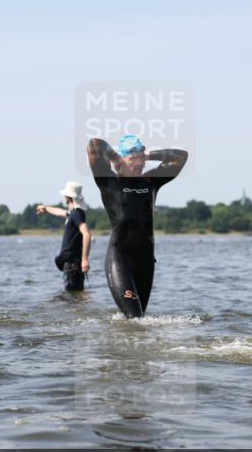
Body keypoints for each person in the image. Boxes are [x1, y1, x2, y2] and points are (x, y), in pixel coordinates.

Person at [88, 135, 188, 317]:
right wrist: (112, 155)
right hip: (120, 260)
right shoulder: (109, 181)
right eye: (134, 158)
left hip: (146, 260)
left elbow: (181, 156)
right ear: (121, 159)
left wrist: (149, 155)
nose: (140, 163)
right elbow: (95, 145)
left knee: (140, 319)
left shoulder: (151, 181)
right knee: (134, 317)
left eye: (142, 159)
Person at [37, 181, 92, 291]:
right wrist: (46, 208)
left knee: (72, 295)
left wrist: (85, 259)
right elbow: (60, 212)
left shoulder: (77, 213)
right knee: (75, 296)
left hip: (73, 263)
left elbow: (87, 234)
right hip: (71, 262)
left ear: (69, 197)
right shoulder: (72, 214)